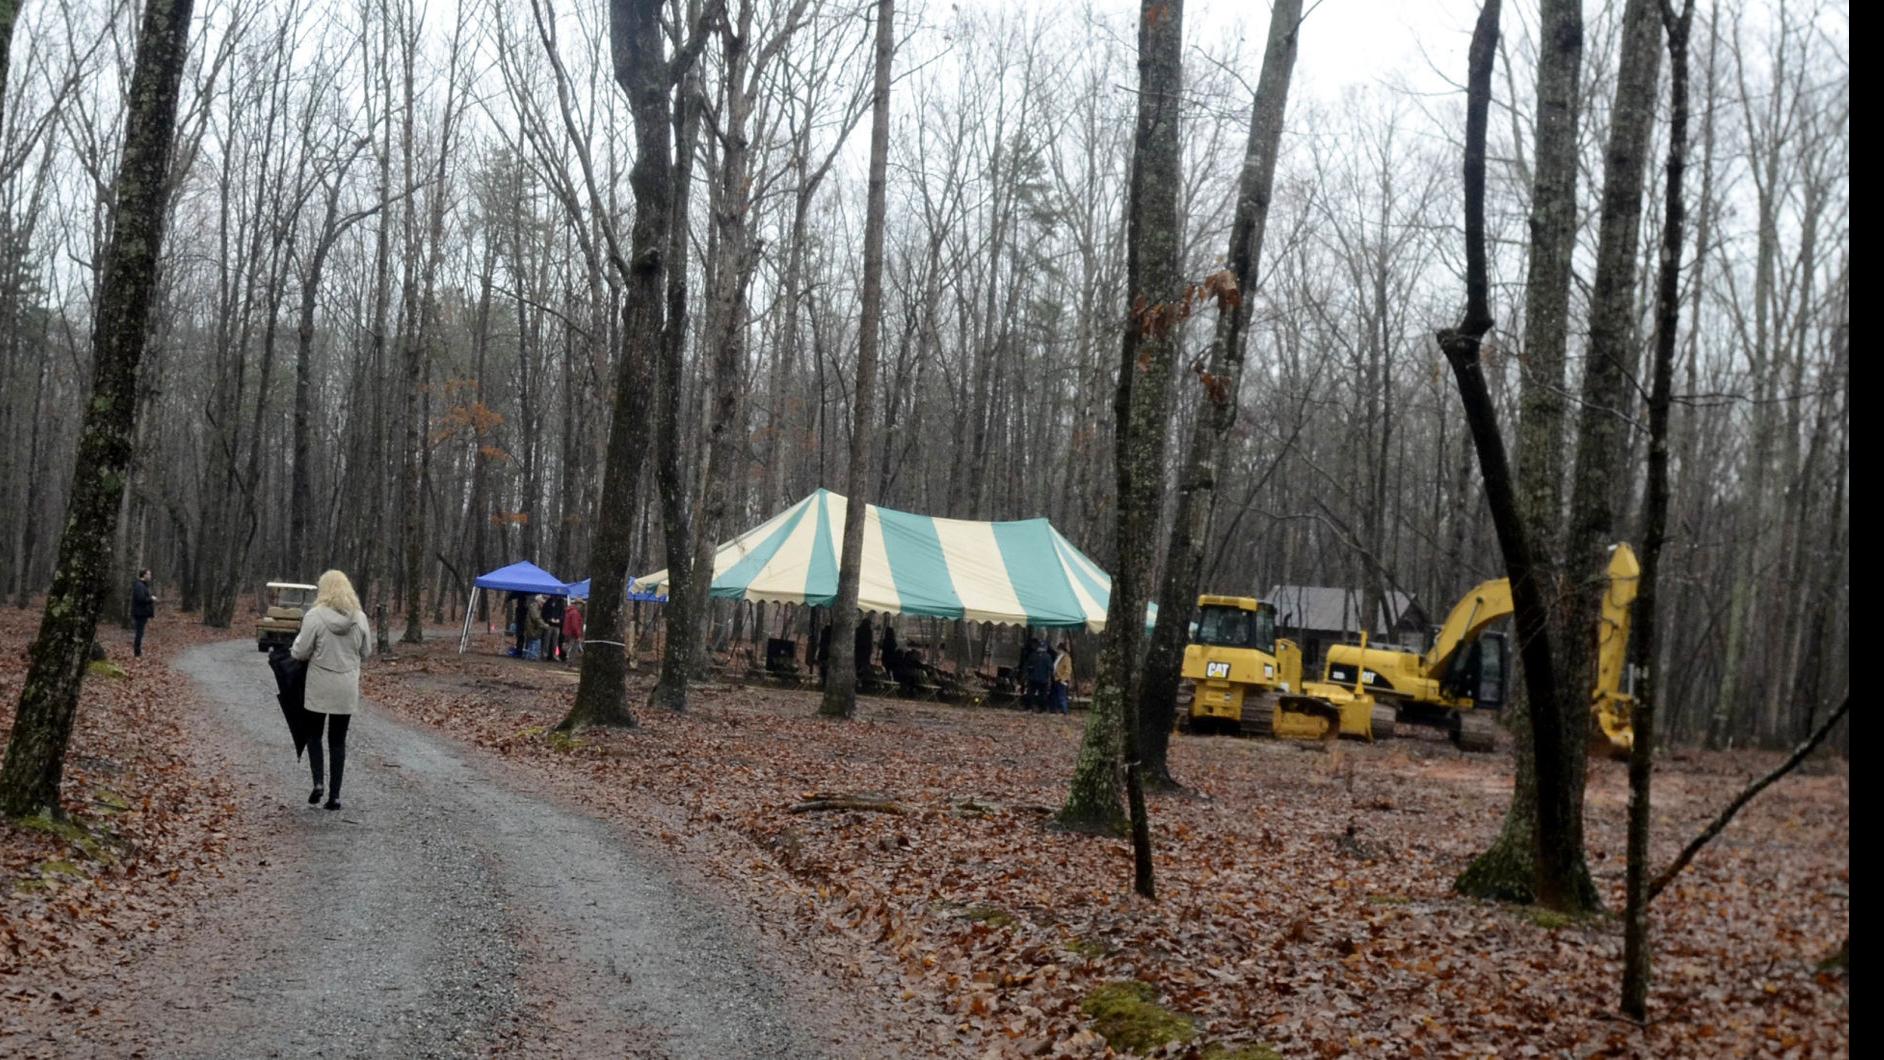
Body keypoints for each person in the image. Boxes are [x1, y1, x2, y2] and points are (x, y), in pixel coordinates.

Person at [291, 570, 372, 811]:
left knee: (314, 734)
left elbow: (300, 651)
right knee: (338, 740)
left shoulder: (314, 616)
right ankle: (335, 796)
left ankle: (318, 782)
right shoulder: (359, 618)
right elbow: (366, 652)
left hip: (319, 685)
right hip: (346, 687)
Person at [130, 569, 157, 658]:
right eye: (148, 574)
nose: (150, 576)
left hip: (142, 613)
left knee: (140, 633)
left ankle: (138, 651)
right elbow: (141, 599)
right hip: (140, 613)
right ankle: (137, 652)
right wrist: (151, 599)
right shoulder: (139, 585)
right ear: (144, 575)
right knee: (139, 633)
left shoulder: (143, 585)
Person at [1024, 636, 1054, 712]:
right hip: (1043, 679)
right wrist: (1049, 677)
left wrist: (1028, 674)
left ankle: (1029, 707)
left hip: (1033, 678)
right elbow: (1051, 668)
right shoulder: (1048, 657)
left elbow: (1028, 666)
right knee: (1042, 695)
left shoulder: (1033, 655)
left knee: (1030, 693)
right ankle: (1042, 709)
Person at [541, 594, 565, 662]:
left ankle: (555, 655)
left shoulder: (561, 604)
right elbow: (544, 613)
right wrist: (549, 619)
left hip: (557, 625)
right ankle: (545, 655)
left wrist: (559, 620)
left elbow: (562, 614)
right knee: (547, 640)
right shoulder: (547, 603)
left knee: (556, 642)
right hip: (549, 625)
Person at [1051, 640, 1073, 714]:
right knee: (1056, 695)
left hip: (1061, 679)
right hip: (1056, 678)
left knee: (1062, 696)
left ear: (1062, 649)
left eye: (1058, 649)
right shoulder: (1058, 657)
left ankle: (1065, 711)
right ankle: (1057, 710)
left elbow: (1068, 670)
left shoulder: (1066, 658)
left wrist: (1063, 678)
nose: (1057, 651)